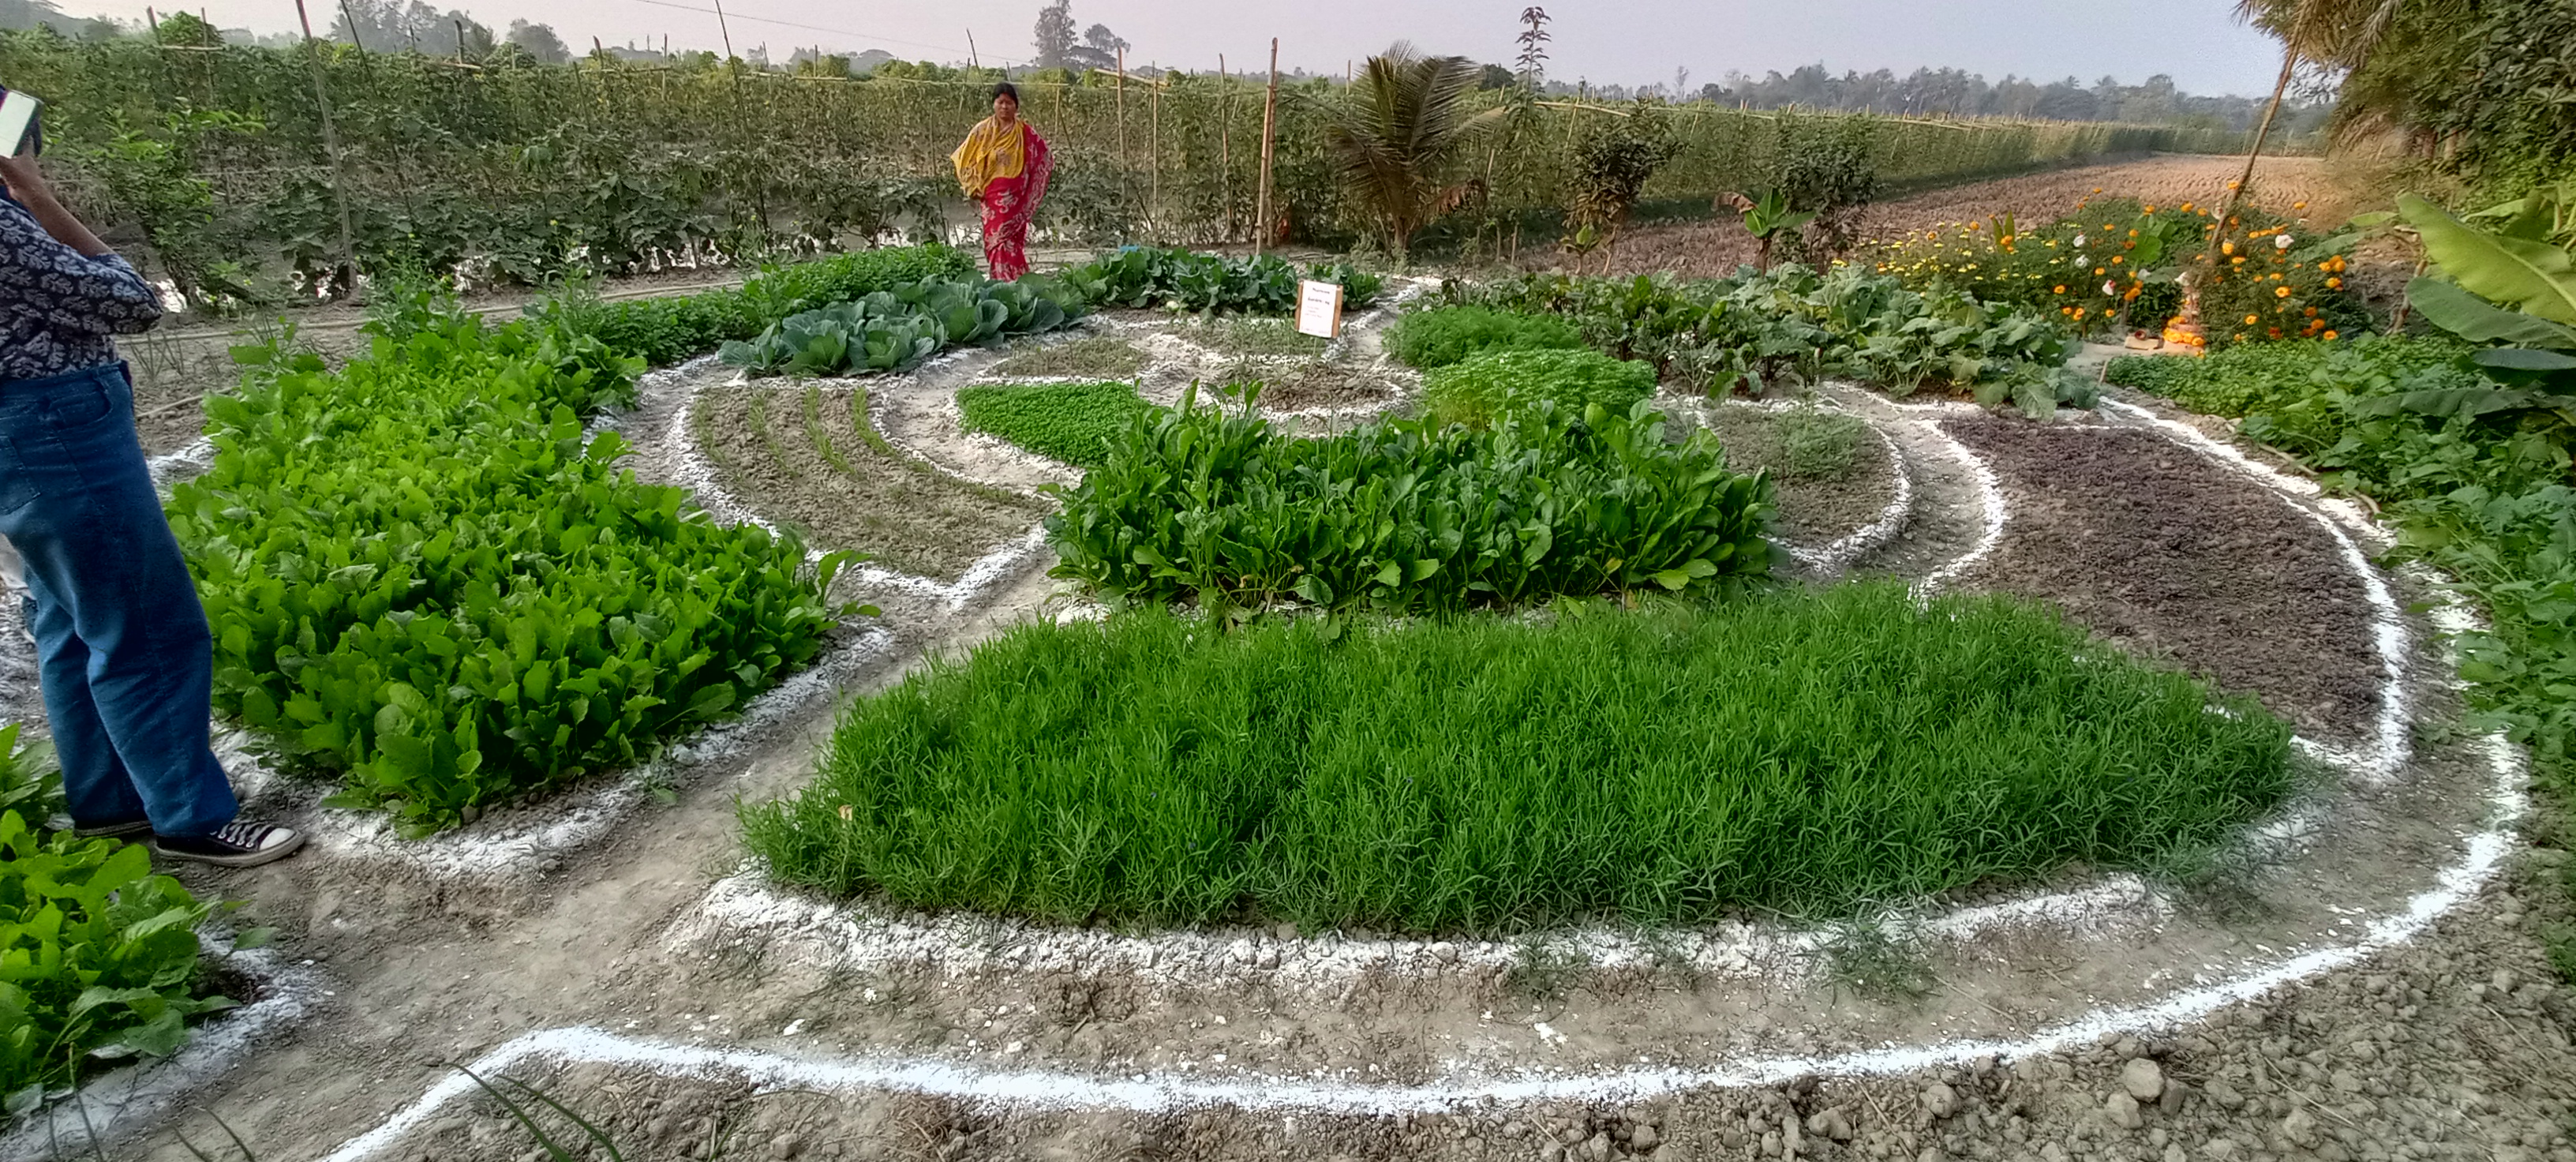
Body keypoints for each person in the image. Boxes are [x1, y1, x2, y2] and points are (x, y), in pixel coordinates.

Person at [0, 88, 304, 868]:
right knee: (143, 619)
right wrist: (37, 195)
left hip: (21, 435)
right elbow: (132, 301)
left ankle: (110, 801)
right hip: (52, 428)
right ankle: (189, 816)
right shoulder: (5, 225)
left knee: (68, 612)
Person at [950, 82, 1054, 282]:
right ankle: (1000, 280)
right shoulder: (982, 131)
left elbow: (1045, 156)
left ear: (1016, 106)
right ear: (994, 104)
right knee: (996, 241)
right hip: (992, 198)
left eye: (1009, 103)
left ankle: (1017, 280)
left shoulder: (1025, 133)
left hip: (1017, 198)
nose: (1004, 107)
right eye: (1000, 102)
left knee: (1012, 242)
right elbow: (963, 158)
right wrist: (972, 184)